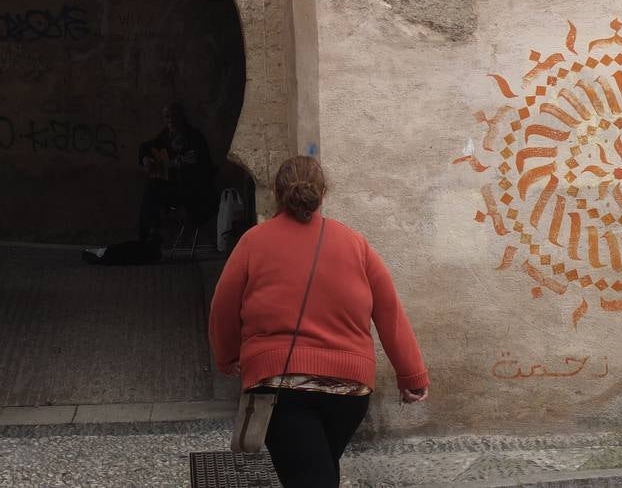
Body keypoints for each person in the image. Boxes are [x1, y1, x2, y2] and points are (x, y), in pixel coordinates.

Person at [208, 155, 428, 488]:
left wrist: (227, 357)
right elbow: (389, 311)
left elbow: (223, 307)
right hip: (349, 391)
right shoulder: (355, 243)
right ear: (323, 193)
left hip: (281, 387)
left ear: (277, 194)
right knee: (320, 472)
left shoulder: (253, 242)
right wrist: (411, 374)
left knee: (311, 477)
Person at [137, 101, 216, 245]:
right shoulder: (165, 137)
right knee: (151, 188)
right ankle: (151, 234)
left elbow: (202, 167)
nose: (171, 120)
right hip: (174, 189)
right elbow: (146, 146)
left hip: (193, 190)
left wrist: (180, 164)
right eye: (167, 117)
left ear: (181, 117)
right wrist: (144, 158)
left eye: (174, 116)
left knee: (153, 190)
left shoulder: (195, 137)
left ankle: (151, 234)